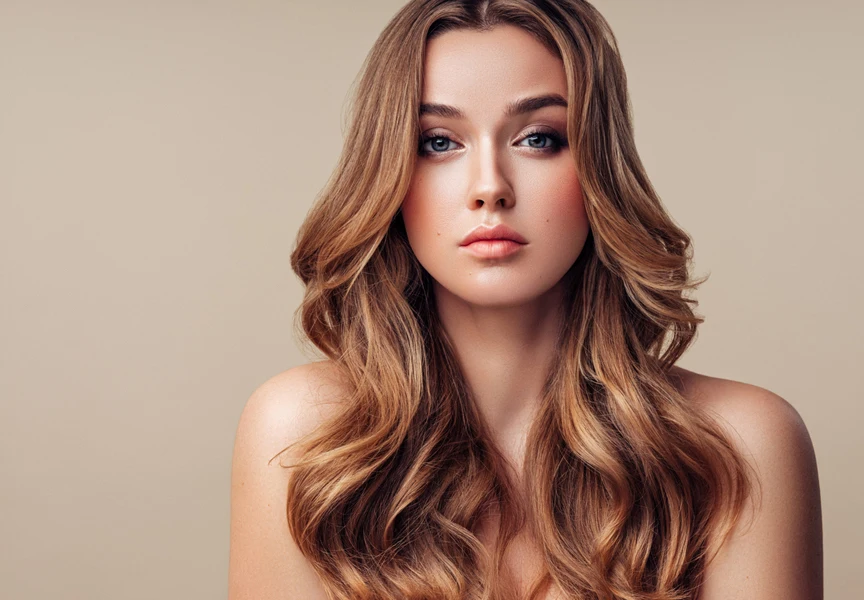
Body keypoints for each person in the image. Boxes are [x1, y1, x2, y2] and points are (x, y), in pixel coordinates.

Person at [228, 1, 823, 599]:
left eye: (539, 138)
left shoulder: (737, 448)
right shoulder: (306, 438)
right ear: (391, 175)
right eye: (438, 142)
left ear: (598, 167)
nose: (490, 186)